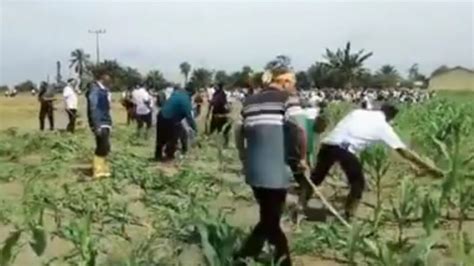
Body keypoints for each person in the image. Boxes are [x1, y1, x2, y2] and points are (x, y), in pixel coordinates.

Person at [310, 103, 443, 219]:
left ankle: (300, 204)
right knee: (358, 183)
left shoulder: (357, 112)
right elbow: (404, 152)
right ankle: (349, 215)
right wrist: (430, 169)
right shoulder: (383, 127)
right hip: (345, 149)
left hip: (327, 144)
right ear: (391, 117)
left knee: (316, 178)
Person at [234, 69, 301, 266]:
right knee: (271, 219)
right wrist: (301, 157)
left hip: (254, 170)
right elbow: (298, 129)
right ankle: (279, 260)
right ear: (285, 83)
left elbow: (238, 131)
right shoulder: (286, 100)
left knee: (269, 215)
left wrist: (243, 156)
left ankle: (248, 254)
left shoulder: (248, 102)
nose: (294, 88)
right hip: (275, 171)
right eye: (292, 83)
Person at [154, 85, 197, 162]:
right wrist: (194, 128)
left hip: (161, 115)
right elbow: (189, 117)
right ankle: (169, 157)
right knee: (173, 138)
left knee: (160, 137)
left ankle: (158, 156)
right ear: (192, 94)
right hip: (171, 118)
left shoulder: (176, 94)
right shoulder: (186, 100)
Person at [86, 69, 113, 179]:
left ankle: (102, 167)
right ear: (102, 77)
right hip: (100, 122)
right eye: (108, 78)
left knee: (105, 146)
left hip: (105, 121)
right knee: (102, 146)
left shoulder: (103, 90)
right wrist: (96, 125)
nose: (110, 80)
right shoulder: (95, 90)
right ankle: (97, 170)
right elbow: (93, 108)